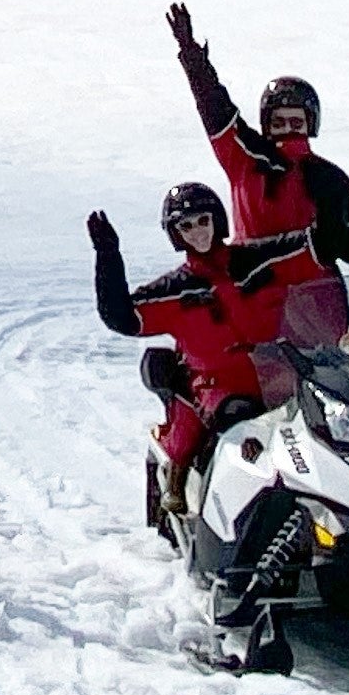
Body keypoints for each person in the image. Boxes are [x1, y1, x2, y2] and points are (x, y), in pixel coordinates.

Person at [164, 2, 349, 281]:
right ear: (267, 125)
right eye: (279, 123)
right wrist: (193, 58)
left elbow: (342, 240)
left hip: (313, 299)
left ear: (310, 124)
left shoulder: (327, 179)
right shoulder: (245, 159)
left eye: (296, 123)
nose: (288, 130)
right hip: (254, 295)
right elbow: (215, 108)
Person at [91, 183, 316, 501]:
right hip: (220, 388)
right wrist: (108, 257)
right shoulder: (174, 290)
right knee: (246, 432)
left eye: (203, 221)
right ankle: (235, 514)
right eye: (186, 226)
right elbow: (121, 316)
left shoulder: (256, 261)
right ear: (175, 234)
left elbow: (309, 246)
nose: (197, 232)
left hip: (284, 374)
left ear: (217, 220)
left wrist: (333, 213)